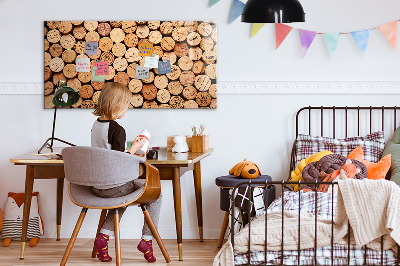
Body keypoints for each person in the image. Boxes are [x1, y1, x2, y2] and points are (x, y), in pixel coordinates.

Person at [91, 82, 161, 263]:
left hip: (97, 186)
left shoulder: (96, 125)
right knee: (156, 194)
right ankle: (147, 240)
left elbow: (108, 154)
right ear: (118, 105)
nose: (126, 109)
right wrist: (136, 148)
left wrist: (130, 149)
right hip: (114, 186)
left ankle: (103, 238)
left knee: (121, 197)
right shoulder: (117, 129)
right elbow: (119, 160)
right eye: (126, 105)